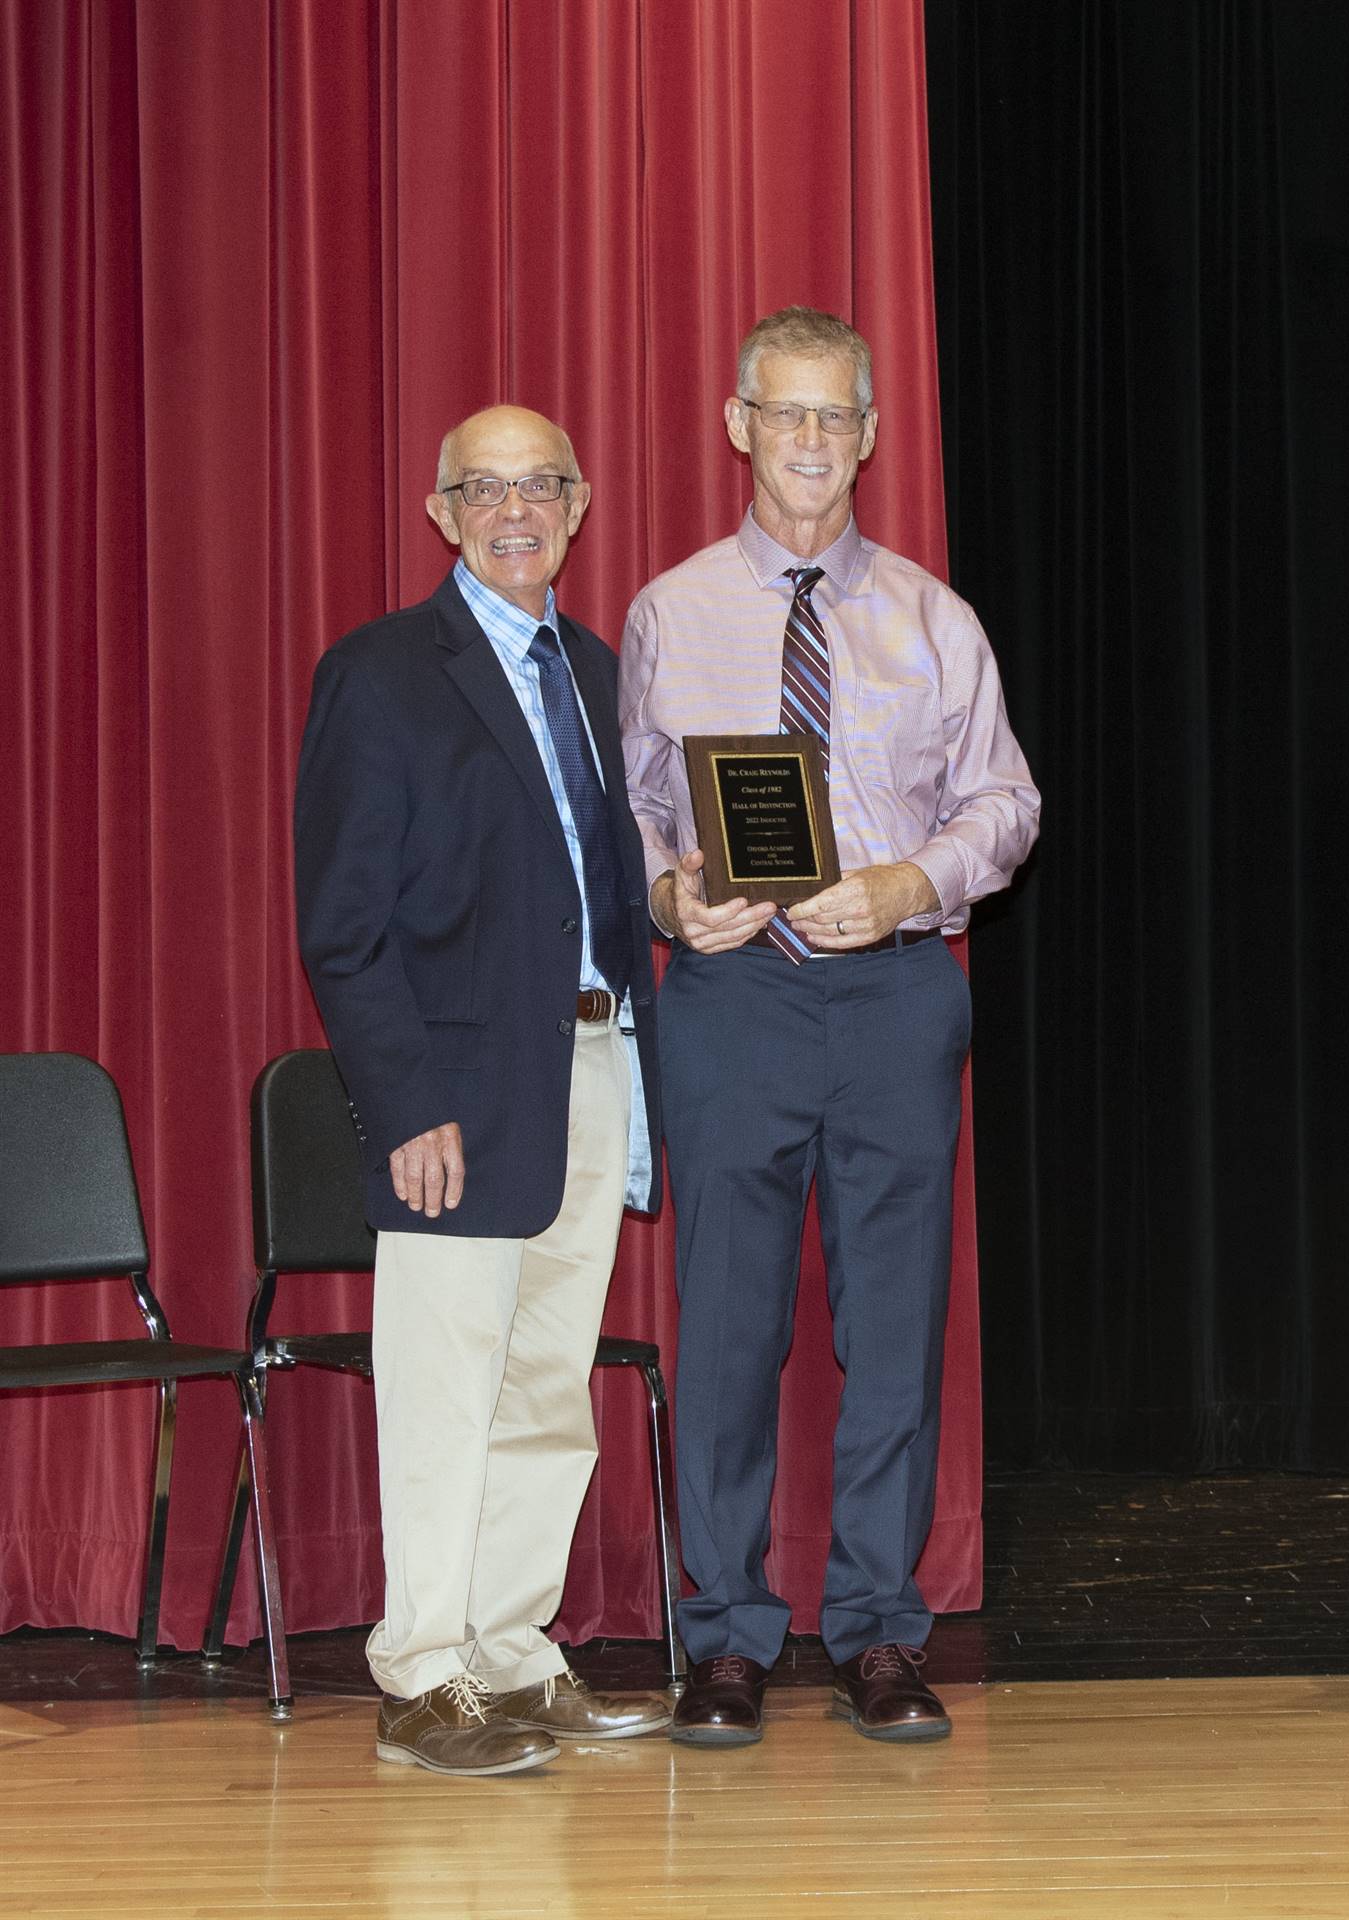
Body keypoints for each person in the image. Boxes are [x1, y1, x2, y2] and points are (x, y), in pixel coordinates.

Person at [619, 307, 1040, 1746]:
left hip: (895, 1001)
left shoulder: (938, 619)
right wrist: (676, 901)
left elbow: (1008, 805)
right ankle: (727, 1639)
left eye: (833, 418)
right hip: (733, 1000)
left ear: (868, 435)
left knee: (895, 1331)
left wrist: (917, 879)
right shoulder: (670, 611)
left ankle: (874, 1630)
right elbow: (633, 820)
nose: (807, 442)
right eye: (782, 414)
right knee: (728, 1329)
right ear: (738, 424)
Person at [294, 405, 668, 1776]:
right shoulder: (383, 675)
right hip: (455, 1094)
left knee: (544, 1388)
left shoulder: (596, 668)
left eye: (542, 487)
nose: (517, 511)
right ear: (442, 515)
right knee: (446, 1389)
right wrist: (406, 1105)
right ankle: (421, 1673)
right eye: (484, 490)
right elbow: (342, 924)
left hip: (594, 1063)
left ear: (576, 507)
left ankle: (512, 1658)